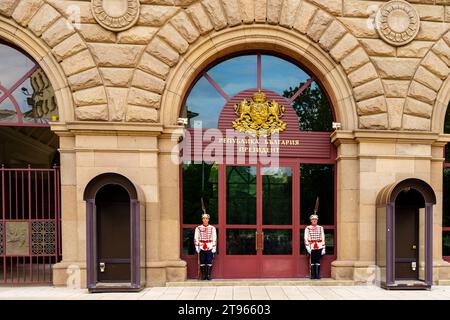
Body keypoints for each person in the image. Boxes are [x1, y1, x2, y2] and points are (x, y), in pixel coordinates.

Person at [194, 213, 217, 280]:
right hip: (201, 246)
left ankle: (209, 275)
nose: (205, 220)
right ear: (202, 219)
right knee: (202, 261)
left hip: (209, 246)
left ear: (208, 219)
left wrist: (214, 247)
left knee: (209, 261)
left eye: (206, 218)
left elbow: (214, 238)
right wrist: (196, 247)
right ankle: (203, 275)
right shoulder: (198, 228)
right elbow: (196, 238)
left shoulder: (212, 228)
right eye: (204, 218)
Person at [304, 214, 326, 279]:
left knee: (318, 261)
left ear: (317, 220)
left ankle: (318, 275)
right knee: (312, 261)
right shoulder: (308, 228)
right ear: (311, 220)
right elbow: (306, 237)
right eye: (313, 219)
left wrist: (324, 247)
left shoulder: (320, 228)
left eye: (315, 220)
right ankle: (313, 275)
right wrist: (307, 247)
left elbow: (323, 237)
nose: (314, 221)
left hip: (319, 245)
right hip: (311, 245)